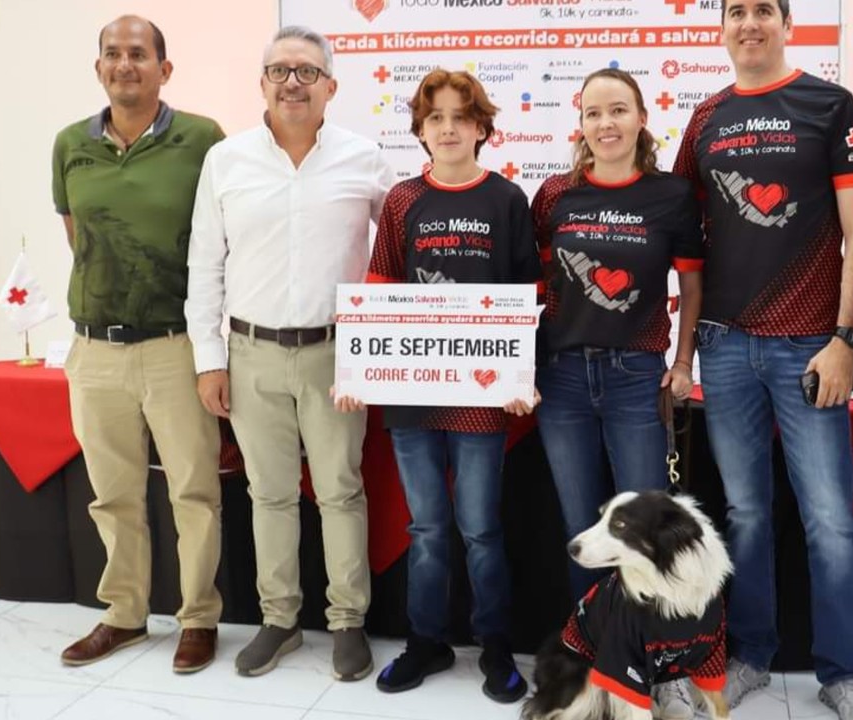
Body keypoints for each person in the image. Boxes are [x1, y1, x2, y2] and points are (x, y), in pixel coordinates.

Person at [671, 1, 853, 718]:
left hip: (810, 348)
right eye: (736, 11)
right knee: (747, 514)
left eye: (764, 9)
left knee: (830, 520)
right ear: (722, 28)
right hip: (726, 348)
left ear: (787, 25)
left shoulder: (828, 103)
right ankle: (753, 655)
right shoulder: (705, 119)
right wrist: (684, 349)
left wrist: (845, 340)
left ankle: (840, 673)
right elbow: (685, 243)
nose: (749, 22)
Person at [185, 25, 393, 680]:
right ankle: (280, 620)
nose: (292, 82)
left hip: (337, 354)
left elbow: (401, 249)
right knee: (269, 493)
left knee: (339, 490)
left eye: (306, 71)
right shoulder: (228, 160)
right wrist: (208, 358)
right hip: (250, 354)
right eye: (279, 71)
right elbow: (203, 266)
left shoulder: (364, 157)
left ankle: (347, 622)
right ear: (262, 86)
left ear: (331, 86)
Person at [334, 68, 538, 704]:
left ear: (481, 127)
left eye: (460, 117)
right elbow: (381, 286)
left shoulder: (506, 200)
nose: (447, 128)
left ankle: (495, 645)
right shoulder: (401, 200)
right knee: (427, 528)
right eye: (435, 119)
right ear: (420, 131)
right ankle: (426, 641)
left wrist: (518, 376)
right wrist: (358, 370)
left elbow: (528, 295)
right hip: (411, 395)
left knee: (479, 528)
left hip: (482, 395)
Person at [532, 67, 706, 720]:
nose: (605, 124)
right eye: (593, 113)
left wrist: (683, 361)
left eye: (618, 110)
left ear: (640, 118)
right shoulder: (554, 196)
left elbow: (691, 287)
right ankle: (598, 664)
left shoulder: (672, 196)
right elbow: (532, 292)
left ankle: (661, 670)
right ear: (579, 124)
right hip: (564, 379)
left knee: (646, 539)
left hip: (638, 377)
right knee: (586, 534)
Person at [53, 15, 224, 675]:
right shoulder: (69, 144)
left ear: (164, 68)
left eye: (139, 54)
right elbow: (78, 236)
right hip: (94, 351)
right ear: (99, 67)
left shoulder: (202, 139)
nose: (125, 64)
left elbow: (218, 239)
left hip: (175, 345)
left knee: (194, 492)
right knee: (113, 493)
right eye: (112, 54)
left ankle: (199, 619)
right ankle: (124, 614)